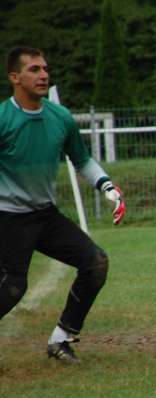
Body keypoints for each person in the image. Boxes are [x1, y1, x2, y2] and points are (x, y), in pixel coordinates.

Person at [0, 47, 126, 364]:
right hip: (8, 218)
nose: (43, 75)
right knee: (13, 287)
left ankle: (61, 340)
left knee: (96, 263)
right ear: (14, 77)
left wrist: (106, 185)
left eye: (45, 68)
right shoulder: (3, 119)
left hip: (45, 215)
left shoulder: (61, 117)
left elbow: (81, 160)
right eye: (33, 69)